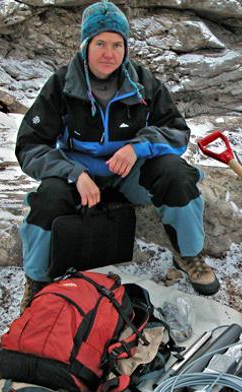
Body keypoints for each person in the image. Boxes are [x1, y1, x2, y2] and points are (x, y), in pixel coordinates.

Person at [15, 1, 220, 309]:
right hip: (79, 178)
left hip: (130, 176)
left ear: (125, 48)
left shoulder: (142, 82)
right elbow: (30, 146)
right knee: (47, 197)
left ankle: (188, 255)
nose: (109, 53)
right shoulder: (61, 85)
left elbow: (176, 131)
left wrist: (138, 147)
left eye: (116, 44)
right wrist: (74, 173)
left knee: (177, 174)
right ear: (85, 45)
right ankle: (37, 279)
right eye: (100, 43)